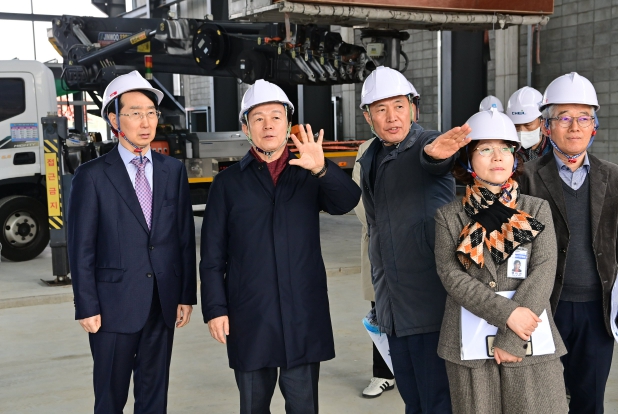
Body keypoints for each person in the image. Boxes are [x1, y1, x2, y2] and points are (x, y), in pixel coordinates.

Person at [200, 79, 361, 414]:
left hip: (302, 311)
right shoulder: (227, 183)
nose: (268, 125)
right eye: (258, 118)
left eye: (276, 116)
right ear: (246, 128)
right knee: (253, 406)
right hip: (250, 313)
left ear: (288, 125)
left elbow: (347, 202)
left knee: (303, 407)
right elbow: (212, 255)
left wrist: (322, 169)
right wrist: (215, 308)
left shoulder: (307, 173)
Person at [67, 70, 197, 414]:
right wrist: (86, 304)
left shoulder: (172, 170)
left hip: (162, 300)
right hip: (112, 305)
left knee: (154, 395)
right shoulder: (92, 176)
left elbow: (183, 237)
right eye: (135, 113)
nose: (146, 122)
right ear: (114, 120)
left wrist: (186, 294)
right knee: (110, 397)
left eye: (151, 113)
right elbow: (81, 247)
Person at [434, 108, 568, 414]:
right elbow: (452, 275)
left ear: (515, 157)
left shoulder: (536, 209)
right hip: (470, 345)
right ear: (468, 159)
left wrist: (511, 336)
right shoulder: (449, 217)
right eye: (485, 149)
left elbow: (544, 269)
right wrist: (508, 315)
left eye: (506, 148)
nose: (498, 157)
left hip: (528, 339)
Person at [357, 66, 472, 413]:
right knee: (413, 400)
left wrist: (437, 156)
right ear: (368, 116)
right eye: (381, 109)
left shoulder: (426, 143)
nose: (392, 117)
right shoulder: (370, 156)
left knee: (439, 401)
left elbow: (435, 159)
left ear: (413, 108)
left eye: (399, 106)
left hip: (429, 304)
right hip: (392, 306)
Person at [518, 72, 618, 413]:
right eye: (563, 118)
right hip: (543, 308)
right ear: (547, 127)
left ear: (594, 126)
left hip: (597, 311)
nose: (574, 127)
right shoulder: (525, 177)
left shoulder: (613, 177)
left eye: (584, 118)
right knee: (539, 401)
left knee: (590, 402)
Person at [352, 137, 396, 398]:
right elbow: (358, 196)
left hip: (415, 244)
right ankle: (383, 374)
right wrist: (381, 227)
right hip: (377, 238)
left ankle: (418, 372)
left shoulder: (426, 144)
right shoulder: (367, 149)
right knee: (380, 311)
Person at [506, 87, 551, 162]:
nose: (521, 131)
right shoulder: (506, 151)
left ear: (542, 122)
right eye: (516, 126)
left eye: (527, 125)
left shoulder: (556, 148)